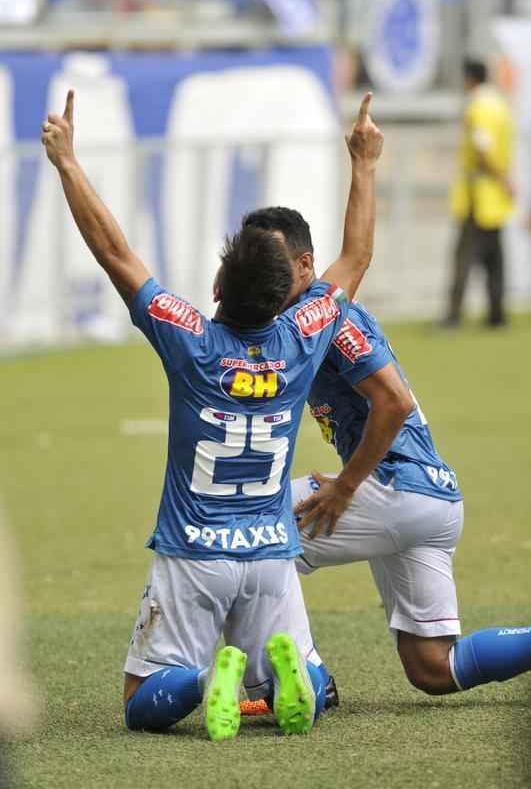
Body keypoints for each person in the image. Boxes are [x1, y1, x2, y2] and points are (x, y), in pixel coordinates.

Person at [41, 89, 384, 739]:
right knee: (301, 680)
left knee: (140, 705)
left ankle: (205, 677)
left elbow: (115, 255)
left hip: (194, 555)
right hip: (269, 555)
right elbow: (355, 257)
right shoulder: (301, 336)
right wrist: (363, 162)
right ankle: (296, 679)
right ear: (287, 293)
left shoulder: (191, 340)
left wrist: (67, 163)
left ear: (218, 288)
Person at [240, 221, 531, 719]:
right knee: (433, 668)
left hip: (396, 487)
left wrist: (347, 487)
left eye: (270, 265)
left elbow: (393, 404)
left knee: (246, 532)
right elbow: (357, 252)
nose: (260, 278)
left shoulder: (332, 320)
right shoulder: (301, 317)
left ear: (307, 265)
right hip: (429, 501)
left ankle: (295, 684)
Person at [444, 57, 514, 328]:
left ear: (469, 78)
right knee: (495, 258)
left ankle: (453, 315)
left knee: (464, 256)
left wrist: (501, 178)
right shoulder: (500, 105)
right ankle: (497, 314)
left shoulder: (478, 108)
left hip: (478, 195)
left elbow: (483, 148)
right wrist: (505, 181)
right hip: (495, 197)